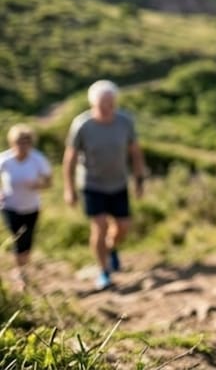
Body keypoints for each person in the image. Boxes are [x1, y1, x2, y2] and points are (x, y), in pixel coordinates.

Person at [63, 79, 147, 291]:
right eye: (103, 104)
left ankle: (110, 249)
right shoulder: (82, 124)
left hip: (118, 183)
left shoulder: (125, 122)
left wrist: (139, 180)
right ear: (93, 104)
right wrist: (69, 188)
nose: (108, 108)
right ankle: (104, 271)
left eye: (111, 103)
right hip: (92, 184)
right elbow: (70, 158)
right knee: (99, 226)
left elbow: (135, 152)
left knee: (123, 227)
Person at [1, 124, 53, 291]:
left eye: (26, 142)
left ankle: (23, 269)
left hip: (31, 207)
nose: (22, 146)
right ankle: (20, 272)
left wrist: (38, 184)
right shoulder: (5, 160)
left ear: (31, 143)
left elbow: (49, 182)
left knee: (27, 241)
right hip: (10, 206)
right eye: (19, 142)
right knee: (18, 238)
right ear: (12, 143)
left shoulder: (38, 159)